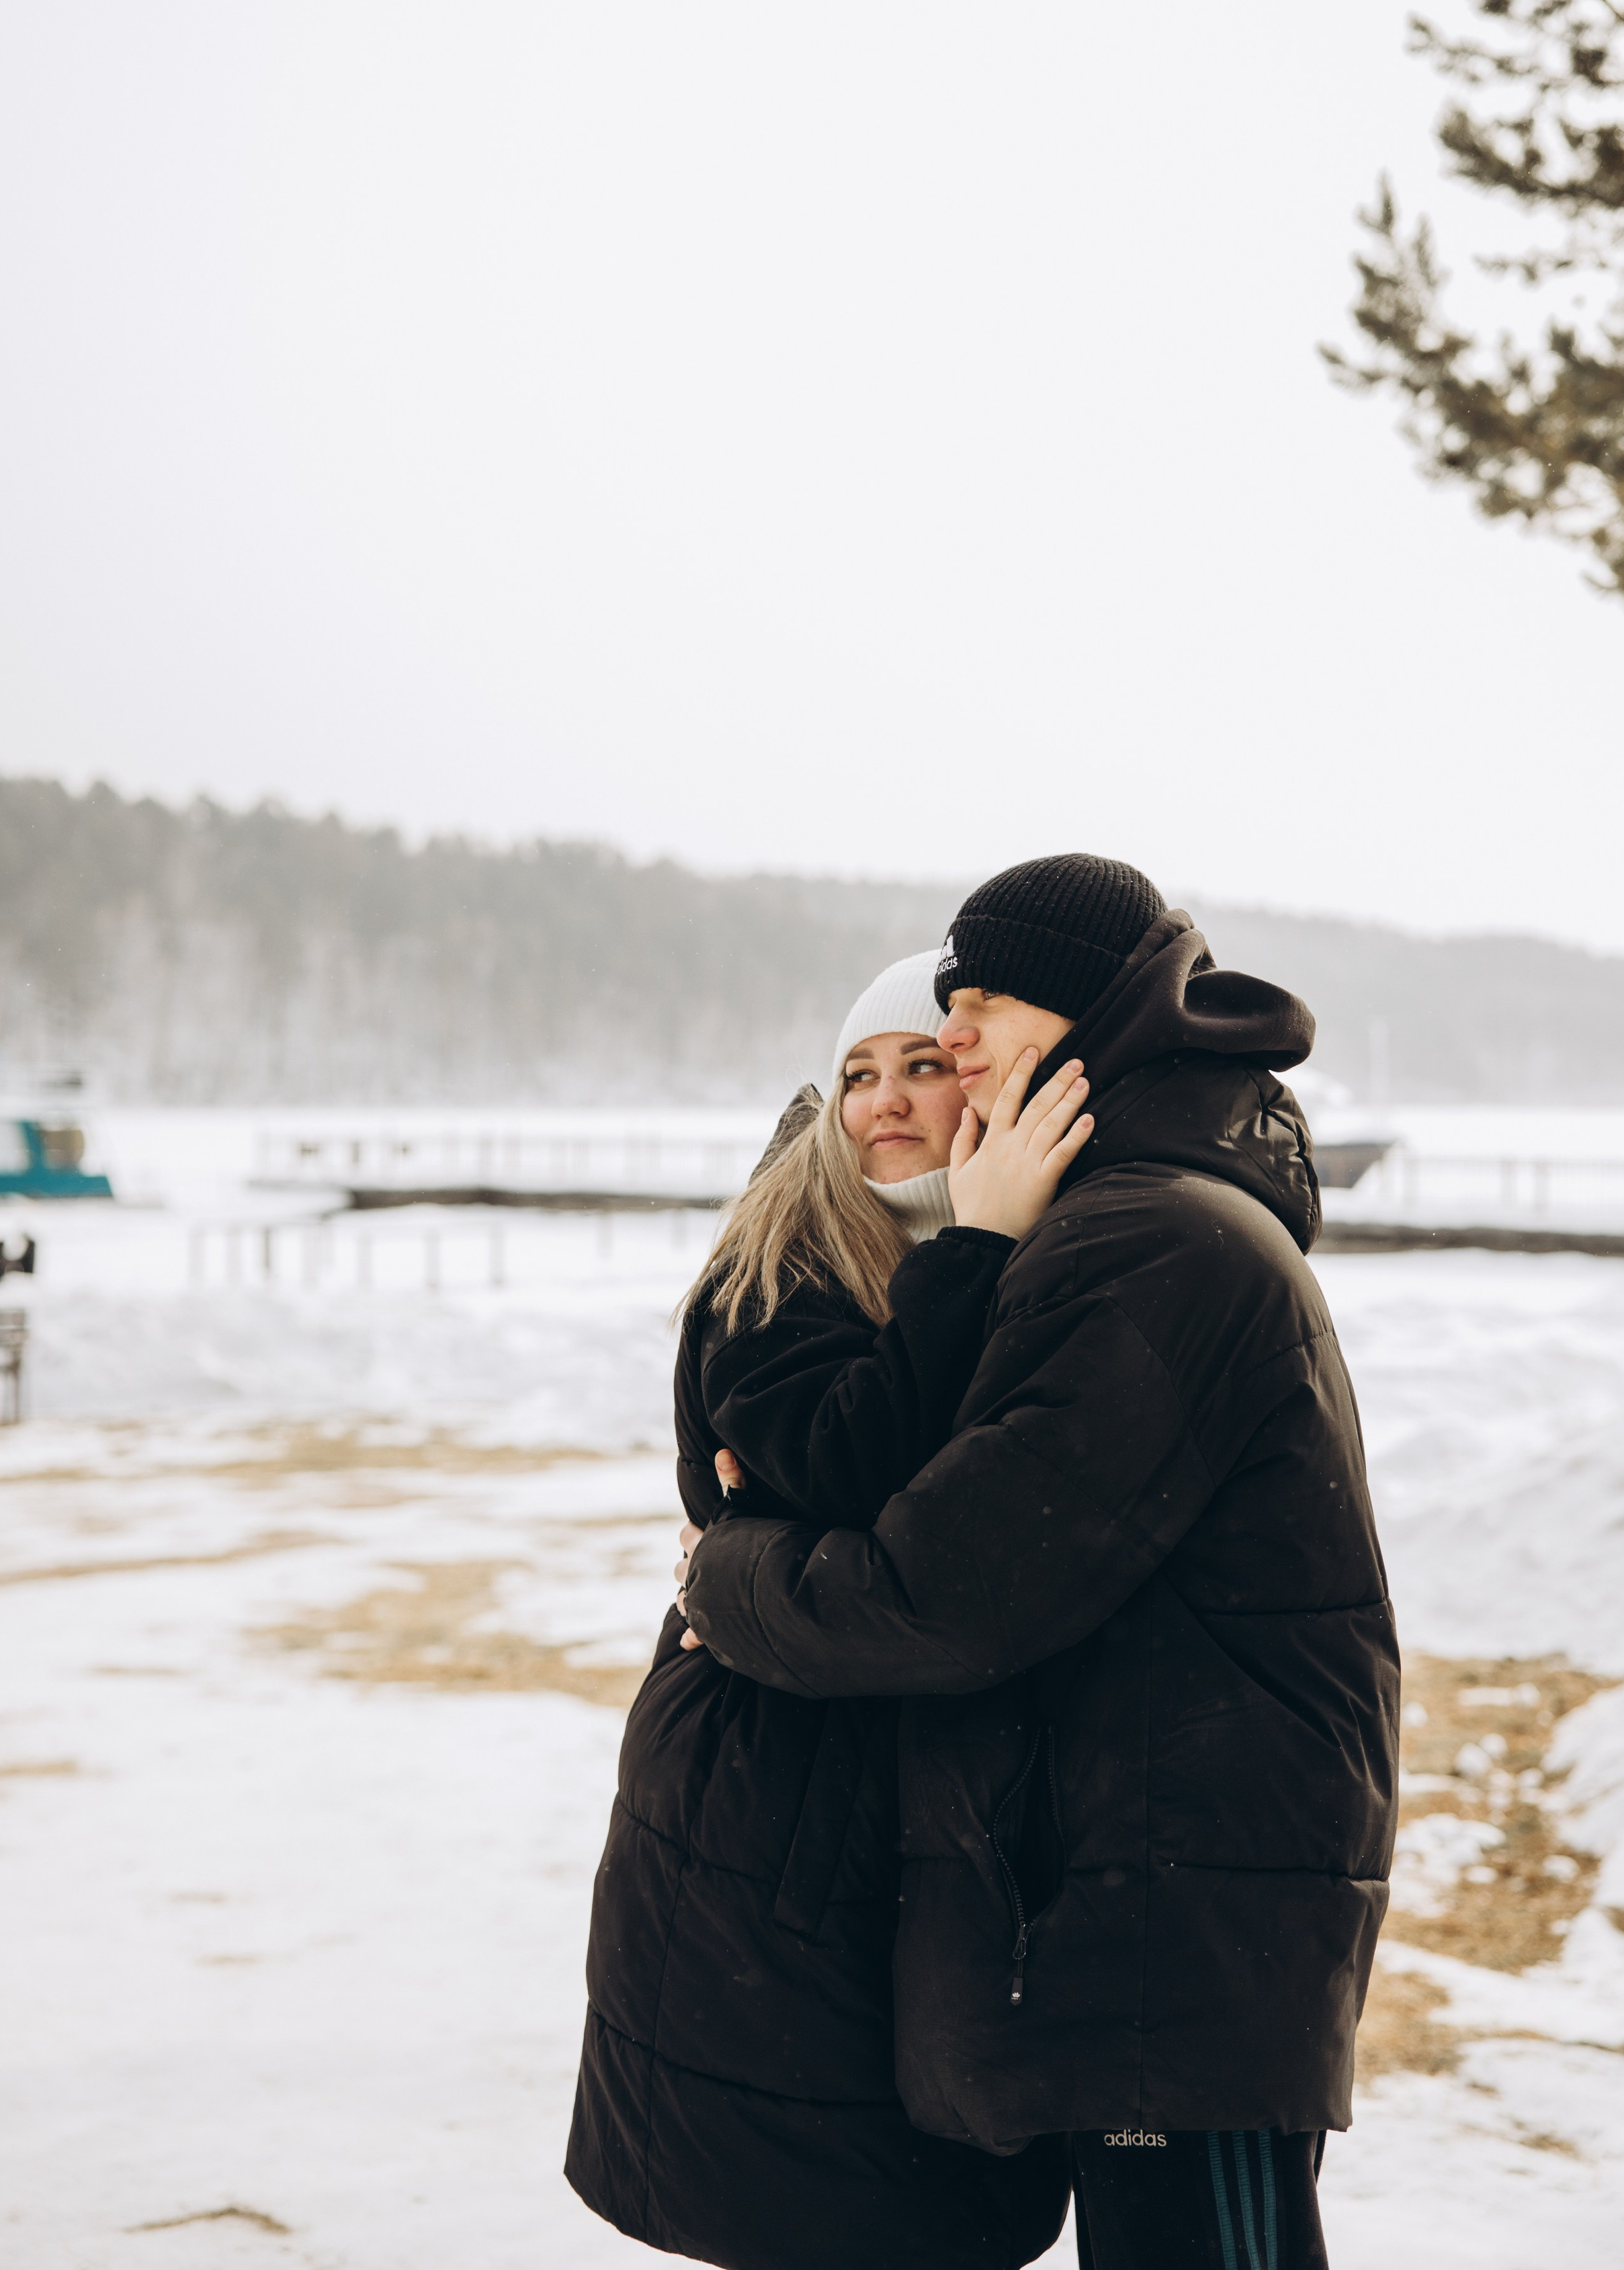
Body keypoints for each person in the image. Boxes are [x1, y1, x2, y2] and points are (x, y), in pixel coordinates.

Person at [681, 857, 1401, 2270]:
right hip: (1133, 1896)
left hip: (1176, 1922)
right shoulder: (1115, 1219)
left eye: (981, 1004)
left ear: (1090, 1009)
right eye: (909, 1030)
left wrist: (726, 1577)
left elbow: (939, 1595)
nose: (947, 1038)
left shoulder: (1147, 1243)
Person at [567, 950, 1089, 2270]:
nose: (884, 1102)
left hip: (907, 1787)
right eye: (856, 1074)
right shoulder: (778, 1267)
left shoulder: (1033, 1264)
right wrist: (977, 1244)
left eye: (923, 1065)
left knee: (917, 2203)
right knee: (811, 2201)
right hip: (768, 1792)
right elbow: (854, 1468)